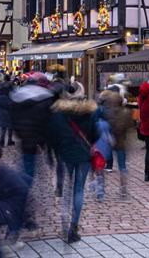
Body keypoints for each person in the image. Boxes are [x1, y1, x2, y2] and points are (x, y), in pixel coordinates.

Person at [48, 81, 97, 243]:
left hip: (65, 154)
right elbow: (96, 134)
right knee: (78, 190)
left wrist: (56, 150)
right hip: (83, 155)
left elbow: (53, 135)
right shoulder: (89, 112)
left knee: (66, 189)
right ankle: (73, 226)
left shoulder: (58, 113)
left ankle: (64, 221)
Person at [9, 74, 54, 186]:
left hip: (24, 135)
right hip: (38, 134)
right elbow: (48, 119)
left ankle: (25, 182)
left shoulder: (18, 97)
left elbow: (12, 116)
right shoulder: (45, 97)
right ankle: (27, 183)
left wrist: (17, 131)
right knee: (32, 161)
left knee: (27, 159)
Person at [101, 87, 133, 197]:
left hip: (108, 141)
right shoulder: (126, 113)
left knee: (102, 163)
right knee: (122, 166)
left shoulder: (107, 113)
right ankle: (123, 187)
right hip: (121, 142)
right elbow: (130, 126)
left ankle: (101, 187)